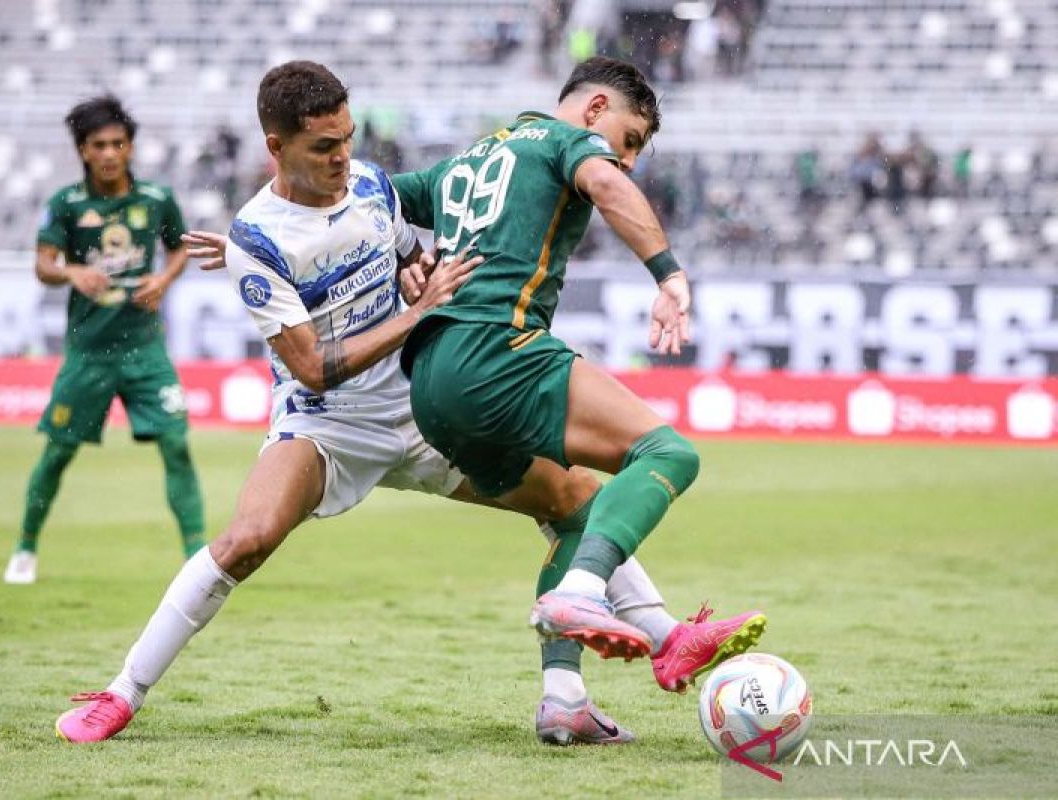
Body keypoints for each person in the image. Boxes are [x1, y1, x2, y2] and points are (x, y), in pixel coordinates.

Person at [54, 61, 714, 748]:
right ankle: (121, 693)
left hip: (421, 406)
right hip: (327, 423)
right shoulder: (257, 240)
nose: (343, 157)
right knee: (244, 542)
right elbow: (312, 368)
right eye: (323, 147)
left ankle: (591, 684)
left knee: (574, 499)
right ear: (276, 148)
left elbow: (401, 257)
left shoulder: (370, 185)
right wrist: (417, 312)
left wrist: (416, 278)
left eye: (348, 138)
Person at [394, 56, 765, 667]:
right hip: (496, 355)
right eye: (629, 140)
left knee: (573, 507)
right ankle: (584, 590)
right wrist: (668, 275)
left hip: (430, 383)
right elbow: (610, 186)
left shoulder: (466, 161)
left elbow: (371, 196)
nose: (628, 161)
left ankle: (569, 698)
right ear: (595, 109)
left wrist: (268, 233)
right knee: (670, 453)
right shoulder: (568, 141)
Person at [2, 95, 206, 585]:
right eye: (100, 145)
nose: (111, 152)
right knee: (58, 452)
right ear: (83, 151)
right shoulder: (66, 205)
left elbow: (180, 248)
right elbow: (43, 265)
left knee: (176, 443)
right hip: (89, 353)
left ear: (131, 146)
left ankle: (198, 558)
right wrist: (72, 272)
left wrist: (164, 280)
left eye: (119, 143)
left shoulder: (156, 198)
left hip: (145, 349)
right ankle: (26, 548)